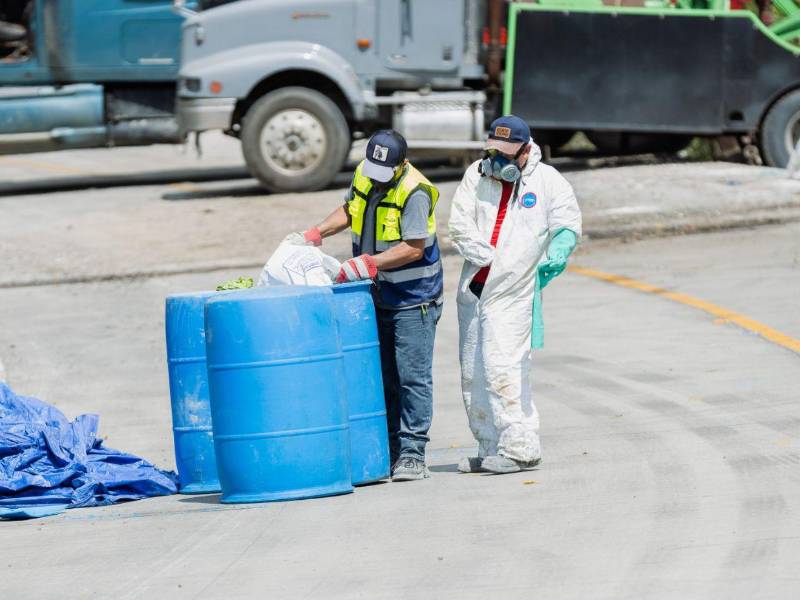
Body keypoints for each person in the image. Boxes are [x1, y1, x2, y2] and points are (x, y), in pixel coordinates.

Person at [286, 129, 443, 481]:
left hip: (413, 298)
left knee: (411, 378)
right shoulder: (366, 171)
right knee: (383, 375)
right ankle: (388, 451)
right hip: (376, 293)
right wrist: (316, 233)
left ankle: (413, 453)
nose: (376, 175)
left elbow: (414, 247)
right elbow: (350, 208)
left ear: (403, 165)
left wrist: (369, 263)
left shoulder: (414, 191)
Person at [448, 115, 582, 475]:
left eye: (510, 153)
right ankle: (490, 445)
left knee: (503, 366)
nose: (501, 160)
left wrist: (561, 247)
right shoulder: (476, 175)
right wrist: (485, 256)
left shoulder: (548, 181)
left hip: (513, 291)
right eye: (496, 151)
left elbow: (567, 221)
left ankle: (521, 448)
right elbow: (459, 224)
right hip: (475, 289)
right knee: (473, 374)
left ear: (527, 149)